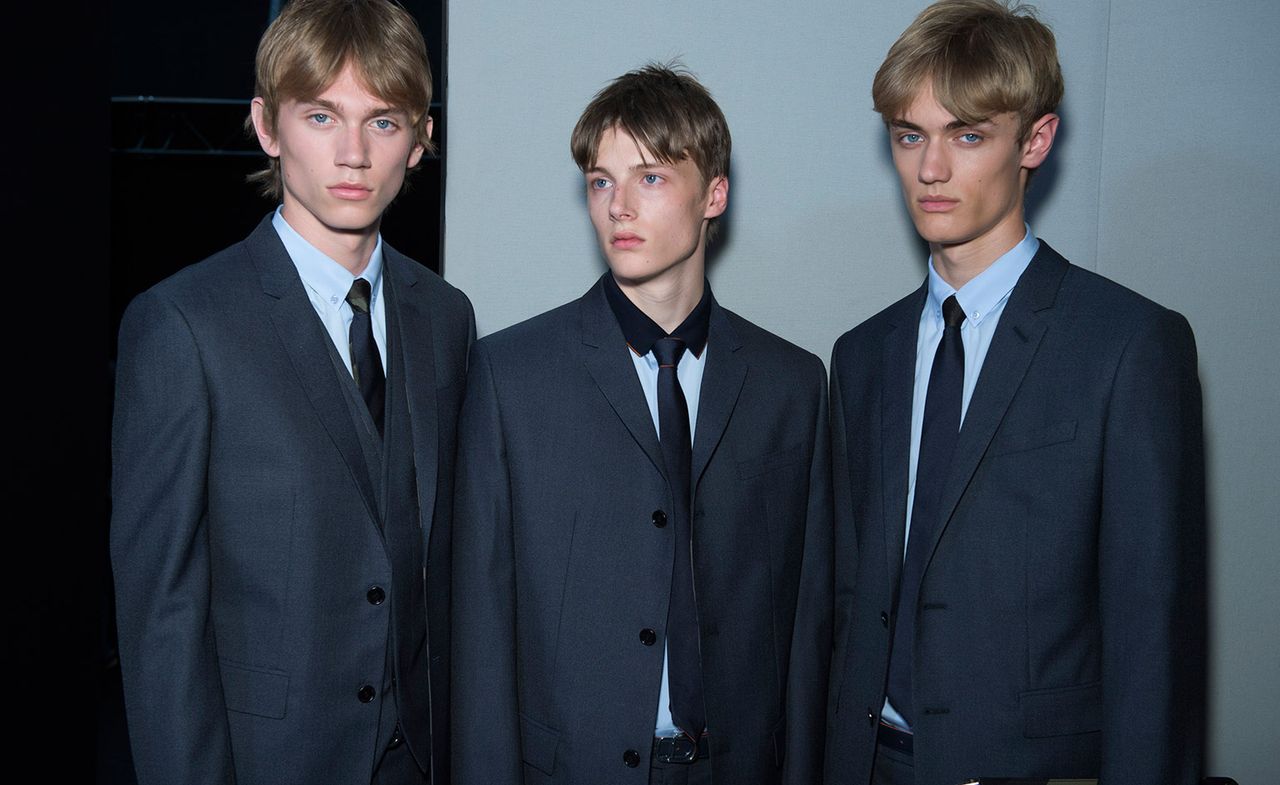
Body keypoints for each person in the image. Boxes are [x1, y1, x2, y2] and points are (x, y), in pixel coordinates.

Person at [824, 2, 1206, 783]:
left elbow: (1152, 637)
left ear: (1034, 140)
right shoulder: (861, 355)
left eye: (968, 135)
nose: (931, 169)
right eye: (909, 135)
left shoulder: (1128, 345)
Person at [110, 2, 473, 783]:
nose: (352, 153)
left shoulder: (446, 317)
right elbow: (161, 620)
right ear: (267, 127)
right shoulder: (183, 325)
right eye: (321, 116)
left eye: (383, 121)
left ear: (420, 141)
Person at [451, 63, 832, 785]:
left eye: (650, 178)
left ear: (714, 194)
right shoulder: (510, 377)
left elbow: (808, 630)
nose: (618, 206)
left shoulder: (793, 385)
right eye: (601, 181)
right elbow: (481, 639)